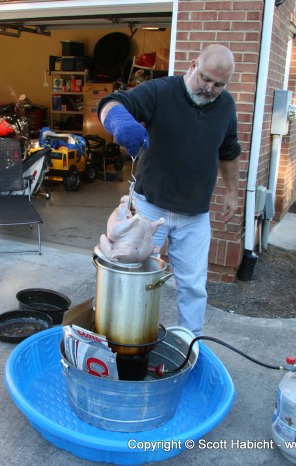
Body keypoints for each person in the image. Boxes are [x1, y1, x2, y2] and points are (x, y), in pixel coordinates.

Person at [99, 44, 241, 337]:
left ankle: (191, 343)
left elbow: (229, 152)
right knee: (130, 274)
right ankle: (120, 337)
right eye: (205, 78)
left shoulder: (226, 106)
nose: (210, 88)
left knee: (193, 285)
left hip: (195, 215)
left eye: (219, 84)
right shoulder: (160, 92)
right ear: (192, 66)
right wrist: (120, 121)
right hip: (149, 208)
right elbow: (110, 103)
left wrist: (232, 192)